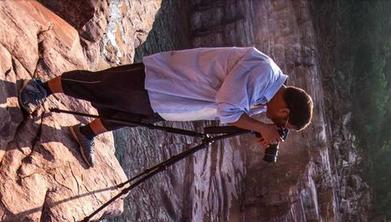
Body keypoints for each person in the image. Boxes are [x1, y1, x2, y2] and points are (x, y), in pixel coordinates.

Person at [18, 46, 313, 168]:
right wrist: (260, 126)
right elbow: (227, 109)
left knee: (130, 117)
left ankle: (85, 133)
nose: (275, 124)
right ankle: (42, 87)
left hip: (173, 100)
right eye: (281, 124)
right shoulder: (262, 72)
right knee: (101, 85)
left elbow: (240, 113)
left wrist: (260, 130)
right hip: (165, 80)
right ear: (285, 112)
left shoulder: (265, 93)